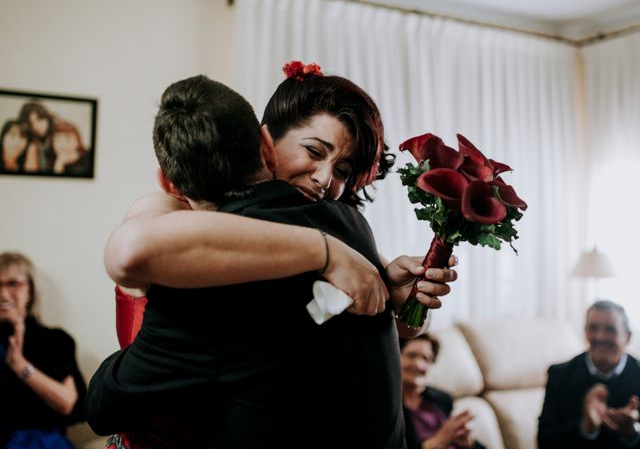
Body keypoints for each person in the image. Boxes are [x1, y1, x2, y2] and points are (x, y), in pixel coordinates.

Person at [86, 69, 456, 448]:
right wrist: (326, 251)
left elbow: (384, 335)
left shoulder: (345, 225)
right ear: (267, 141)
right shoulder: (176, 221)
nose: (325, 180)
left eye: (343, 170)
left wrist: (393, 295)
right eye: (313, 151)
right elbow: (129, 253)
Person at [0, 252, 87, 448]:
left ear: (30, 291)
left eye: (13, 284)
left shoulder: (54, 340)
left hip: (44, 442)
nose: (3, 294)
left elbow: (68, 404)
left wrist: (20, 366)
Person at [538, 300, 640, 448]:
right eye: (593, 328)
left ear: (628, 336)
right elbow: (544, 442)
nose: (600, 337)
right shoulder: (560, 375)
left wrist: (631, 432)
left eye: (610, 329)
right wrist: (585, 426)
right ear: (585, 333)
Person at [400, 333, 485, 449]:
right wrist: (443, 438)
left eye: (426, 359)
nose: (419, 365)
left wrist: (468, 442)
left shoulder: (443, 399)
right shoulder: (389, 407)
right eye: (411, 355)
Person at [19, 101, 55, 173]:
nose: (36, 126)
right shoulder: (27, 143)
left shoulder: (57, 136)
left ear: (47, 118)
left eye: (39, 119)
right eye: (31, 123)